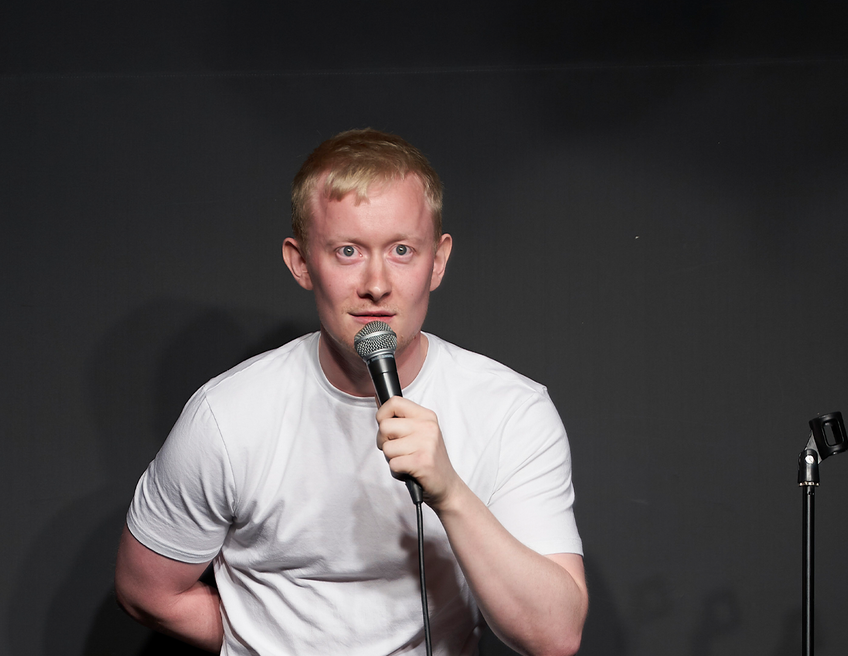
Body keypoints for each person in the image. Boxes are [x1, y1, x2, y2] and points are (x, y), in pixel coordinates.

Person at [115, 128, 588, 655]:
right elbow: (146, 593)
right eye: (347, 251)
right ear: (300, 263)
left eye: (402, 250)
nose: (377, 283)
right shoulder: (227, 416)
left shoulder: (511, 411)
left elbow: (555, 636)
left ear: (438, 261)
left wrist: (451, 494)